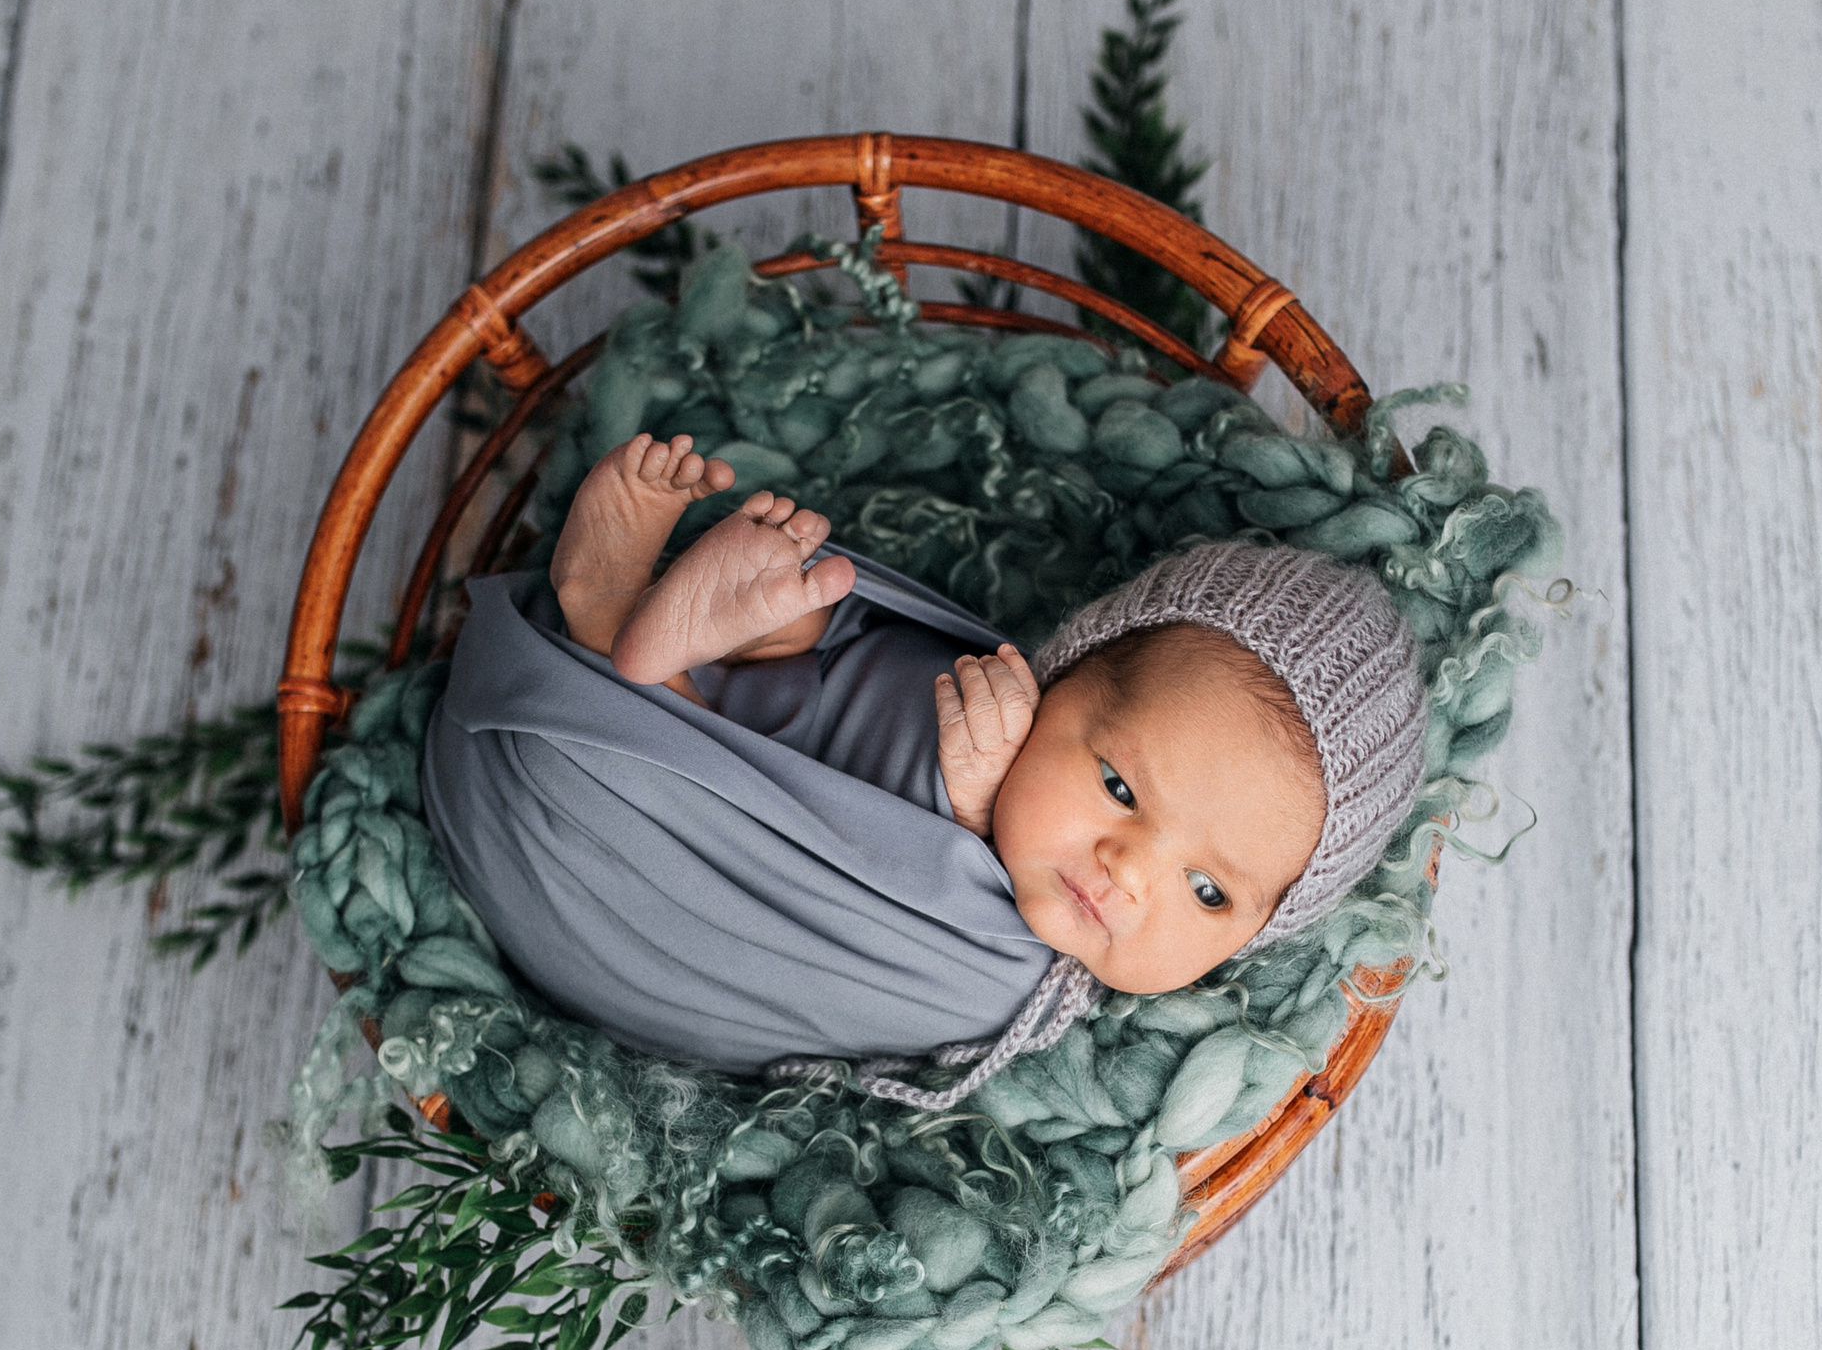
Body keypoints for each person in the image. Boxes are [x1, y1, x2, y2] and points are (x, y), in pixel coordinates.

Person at [418, 432, 1428, 1095]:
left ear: (1259, 933)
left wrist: (975, 809)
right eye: (1118, 788)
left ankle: (616, 620)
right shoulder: (1002, 703)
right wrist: (981, 787)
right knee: (855, 640)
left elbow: (848, 986)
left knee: (907, 781)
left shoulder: (1003, 988)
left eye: (1207, 892)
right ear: (1068, 667)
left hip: (645, 841)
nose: (1127, 873)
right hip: (760, 739)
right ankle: (704, 622)